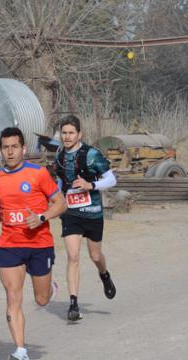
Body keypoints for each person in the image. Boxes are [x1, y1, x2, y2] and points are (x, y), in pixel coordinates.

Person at [0, 127, 68, 360]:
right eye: (5, 147)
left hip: (40, 244)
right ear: (1, 150)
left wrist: (41, 217)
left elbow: (60, 202)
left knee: (41, 299)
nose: (10, 151)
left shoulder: (38, 174)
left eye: (14, 146)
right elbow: (2, 208)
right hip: (10, 244)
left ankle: (50, 287)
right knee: (13, 297)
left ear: (23, 149)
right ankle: (20, 351)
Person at [53, 115, 117, 322]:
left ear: (79, 134)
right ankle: (73, 303)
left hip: (93, 213)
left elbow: (111, 179)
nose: (67, 136)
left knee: (95, 256)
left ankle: (104, 275)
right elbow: (60, 183)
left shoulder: (92, 154)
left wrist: (92, 185)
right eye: (64, 133)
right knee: (73, 256)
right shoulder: (59, 156)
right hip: (71, 213)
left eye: (71, 133)